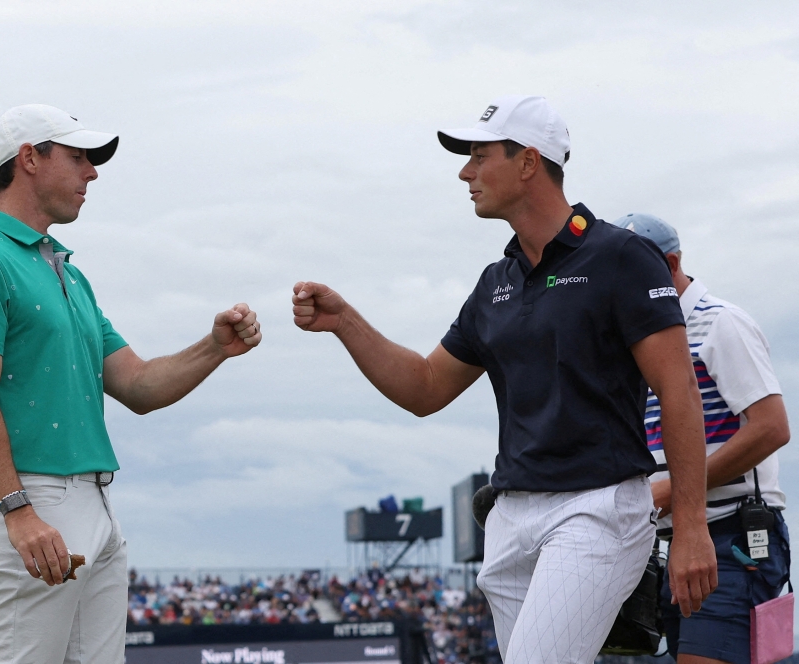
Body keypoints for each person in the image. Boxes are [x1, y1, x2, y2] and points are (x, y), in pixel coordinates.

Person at [292, 95, 717, 662]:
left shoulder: (623, 256)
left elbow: (678, 389)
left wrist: (692, 525)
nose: (465, 172)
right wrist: (345, 321)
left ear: (528, 162)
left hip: (597, 508)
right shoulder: (497, 280)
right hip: (510, 516)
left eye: (479, 155)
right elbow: (425, 388)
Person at [0, 104, 262, 663]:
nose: (93, 172)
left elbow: (138, 386)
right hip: (30, 504)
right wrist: (19, 512)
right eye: (78, 156)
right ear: (29, 158)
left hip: (93, 506)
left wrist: (214, 348)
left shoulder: (67, 273)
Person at [615, 213, 790, 664]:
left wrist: (672, 492)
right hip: (678, 541)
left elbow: (771, 427)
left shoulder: (720, 323)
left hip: (733, 534)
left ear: (672, 265)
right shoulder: (639, 341)